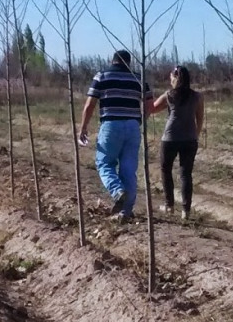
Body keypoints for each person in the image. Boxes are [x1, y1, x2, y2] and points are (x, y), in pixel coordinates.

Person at [78, 50, 153, 221]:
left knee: (104, 163)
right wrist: (140, 119)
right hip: (133, 126)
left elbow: (90, 104)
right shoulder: (138, 78)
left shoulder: (102, 76)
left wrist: (83, 127)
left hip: (111, 124)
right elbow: (150, 103)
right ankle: (126, 212)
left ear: (112, 61)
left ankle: (117, 190)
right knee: (128, 169)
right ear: (129, 62)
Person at [151, 66, 204, 221]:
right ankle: (185, 211)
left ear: (176, 78)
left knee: (165, 170)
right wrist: (195, 135)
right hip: (190, 139)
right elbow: (199, 119)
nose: (170, 80)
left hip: (170, 138)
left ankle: (169, 206)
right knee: (186, 174)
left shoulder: (169, 95)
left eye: (171, 77)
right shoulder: (197, 97)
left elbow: (152, 109)